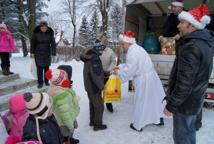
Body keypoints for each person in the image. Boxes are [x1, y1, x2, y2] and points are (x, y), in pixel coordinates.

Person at [163, 3, 214, 144]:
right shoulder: (205, 43)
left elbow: (184, 82)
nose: (178, 26)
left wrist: (171, 105)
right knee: (190, 132)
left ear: (192, 25)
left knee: (182, 138)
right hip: (195, 101)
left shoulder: (191, 47)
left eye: (183, 22)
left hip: (184, 105)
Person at [113, 30, 166, 132]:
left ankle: (138, 124)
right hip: (151, 77)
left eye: (123, 44)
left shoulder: (132, 53)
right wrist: (120, 67)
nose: (122, 46)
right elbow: (131, 65)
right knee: (154, 100)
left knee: (141, 101)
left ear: (129, 43)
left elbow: (129, 71)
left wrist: (118, 73)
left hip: (144, 80)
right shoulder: (138, 49)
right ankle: (158, 119)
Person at [45, 67, 80, 144]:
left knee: (68, 135)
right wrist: (70, 126)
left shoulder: (58, 88)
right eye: (66, 77)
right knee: (66, 135)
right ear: (61, 81)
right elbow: (65, 114)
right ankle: (67, 141)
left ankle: (70, 139)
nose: (68, 78)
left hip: (68, 116)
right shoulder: (61, 96)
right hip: (65, 121)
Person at [80, 39, 107, 131]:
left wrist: (106, 73)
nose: (102, 51)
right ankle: (98, 125)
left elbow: (96, 71)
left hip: (89, 86)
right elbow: (95, 76)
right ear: (98, 49)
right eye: (101, 49)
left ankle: (92, 121)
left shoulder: (90, 57)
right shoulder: (95, 59)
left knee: (92, 104)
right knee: (99, 106)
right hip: (94, 87)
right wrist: (103, 86)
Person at [30, 21, 56, 89]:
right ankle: (40, 82)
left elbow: (53, 43)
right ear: (40, 27)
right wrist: (32, 52)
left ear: (47, 27)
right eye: (42, 27)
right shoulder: (36, 33)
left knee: (47, 69)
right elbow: (32, 43)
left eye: (45, 27)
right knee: (39, 69)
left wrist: (53, 52)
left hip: (47, 53)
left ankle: (46, 81)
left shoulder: (50, 33)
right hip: (38, 53)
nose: (44, 29)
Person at [99, 35, 117, 113]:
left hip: (107, 74)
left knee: (108, 90)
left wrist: (109, 69)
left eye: (104, 41)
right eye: (101, 41)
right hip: (97, 74)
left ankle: (109, 105)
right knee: (98, 91)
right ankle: (99, 106)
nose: (103, 43)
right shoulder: (96, 51)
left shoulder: (110, 51)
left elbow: (114, 61)